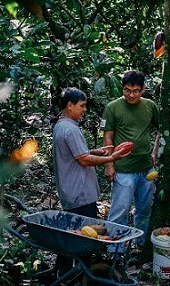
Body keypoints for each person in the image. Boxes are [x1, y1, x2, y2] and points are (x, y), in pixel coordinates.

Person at [52, 87, 129, 275]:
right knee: (83, 235)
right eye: (82, 106)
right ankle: (83, 273)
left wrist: (95, 152)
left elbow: (78, 155)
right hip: (79, 192)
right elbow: (83, 160)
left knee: (73, 233)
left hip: (72, 190)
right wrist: (112, 158)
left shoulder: (62, 126)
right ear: (69, 106)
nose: (84, 110)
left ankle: (69, 272)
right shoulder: (70, 129)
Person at [101, 70, 160, 249]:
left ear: (143, 90)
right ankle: (115, 251)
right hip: (123, 170)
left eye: (135, 91)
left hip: (146, 168)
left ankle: (141, 246)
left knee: (144, 210)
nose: (131, 95)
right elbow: (107, 138)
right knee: (120, 211)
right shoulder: (113, 107)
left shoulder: (150, 106)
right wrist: (109, 165)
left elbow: (161, 130)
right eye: (127, 90)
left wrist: (155, 152)